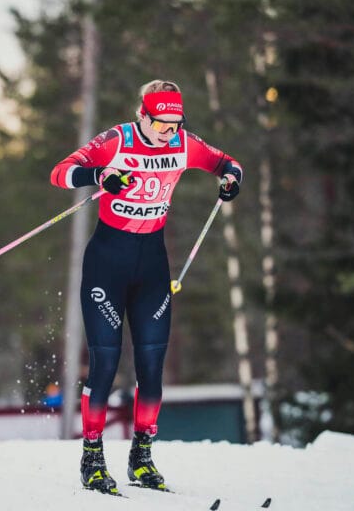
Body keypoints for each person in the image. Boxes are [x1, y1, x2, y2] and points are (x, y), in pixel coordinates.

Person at [50, 80, 243, 494]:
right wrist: (100, 175)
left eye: (176, 125)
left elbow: (228, 163)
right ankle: (92, 459)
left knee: (152, 367)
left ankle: (142, 458)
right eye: (160, 125)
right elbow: (60, 173)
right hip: (107, 264)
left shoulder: (183, 144)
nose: (168, 133)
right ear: (143, 115)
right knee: (105, 363)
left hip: (152, 266)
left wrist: (230, 179)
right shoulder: (116, 140)